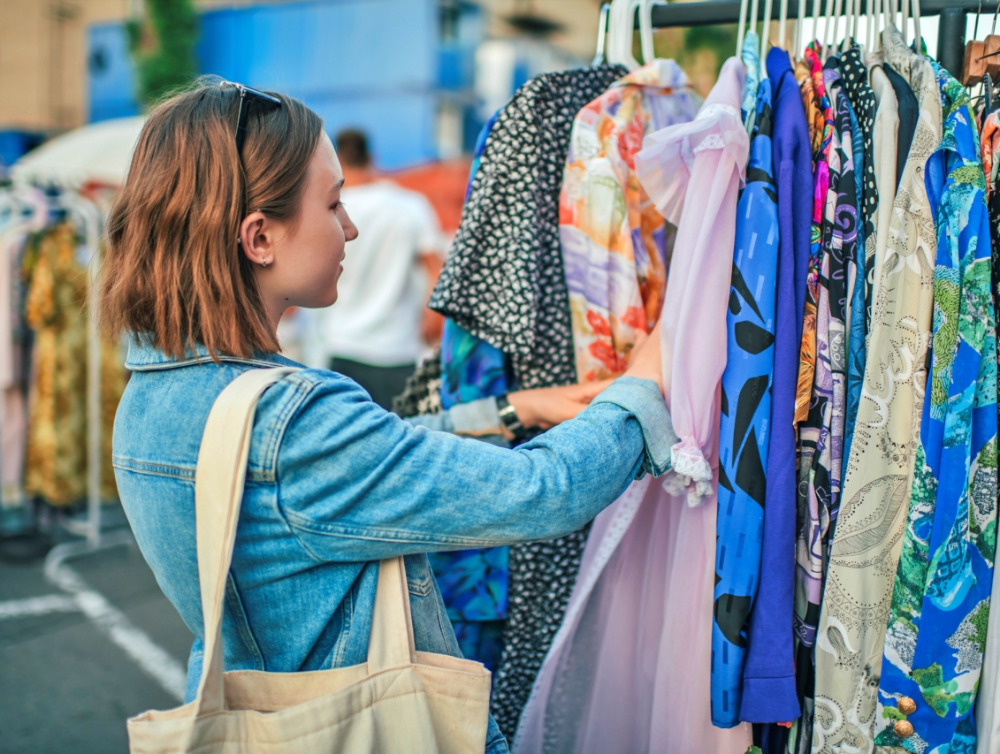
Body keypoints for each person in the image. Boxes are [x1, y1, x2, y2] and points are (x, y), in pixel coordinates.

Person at [100, 80, 674, 754]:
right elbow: (544, 494)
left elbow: (332, 480)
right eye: (334, 203)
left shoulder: (152, 394)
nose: (350, 226)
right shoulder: (295, 421)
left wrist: (507, 411)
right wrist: (642, 385)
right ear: (259, 237)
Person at [305, 128, 445, 410]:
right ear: (371, 158)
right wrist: (432, 320)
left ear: (339, 160)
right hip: (398, 349)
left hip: (341, 346)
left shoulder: (326, 211)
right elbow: (437, 272)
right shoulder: (410, 205)